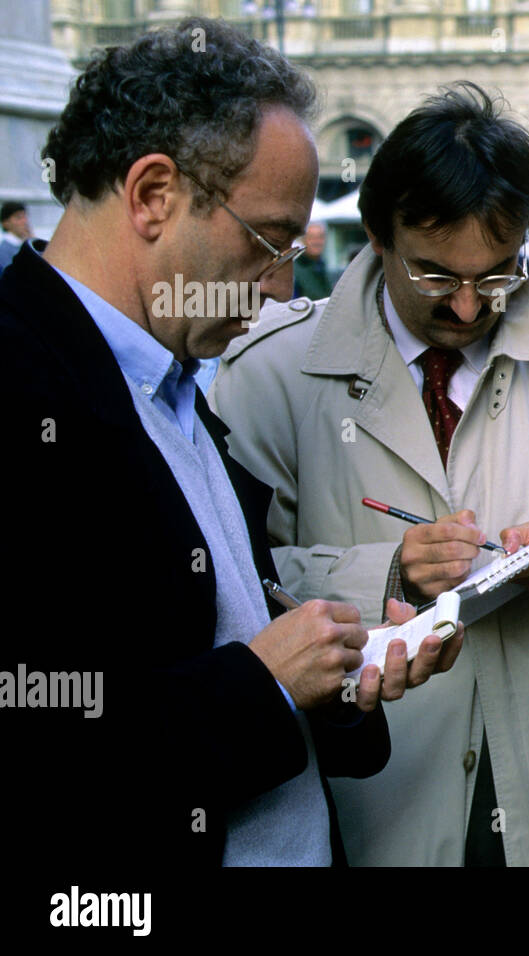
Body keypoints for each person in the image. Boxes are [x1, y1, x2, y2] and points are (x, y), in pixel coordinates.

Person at [0, 18, 452, 869]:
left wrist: (332, 680)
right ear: (152, 195)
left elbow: (212, 636)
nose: (284, 285)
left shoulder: (173, 381)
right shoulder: (23, 379)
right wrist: (268, 683)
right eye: (269, 239)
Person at [210, 82, 529, 866]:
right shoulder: (271, 371)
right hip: (373, 799)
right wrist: (386, 570)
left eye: (500, 274)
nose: (473, 308)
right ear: (377, 236)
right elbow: (233, 591)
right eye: (438, 278)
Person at [293, 221, 333, 300]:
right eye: (311, 237)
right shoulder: (294, 270)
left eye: (320, 237)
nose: (317, 242)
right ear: (303, 240)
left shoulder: (323, 267)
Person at [0, 200, 32, 271]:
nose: (25, 221)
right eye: (19, 218)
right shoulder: (3, 250)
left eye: (25, 217)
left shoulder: (25, 244)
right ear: (5, 223)